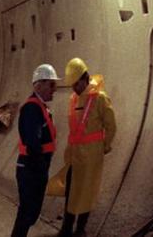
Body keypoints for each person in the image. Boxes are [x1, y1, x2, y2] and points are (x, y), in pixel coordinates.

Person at [57, 58, 117, 237]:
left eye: (76, 83)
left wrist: (105, 146)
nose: (74, 88)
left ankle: (80, 230)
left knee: (86, 191)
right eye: (72, 85)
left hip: (91, 156)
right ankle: (66, 229)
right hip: (75, 155)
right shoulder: (73, 99)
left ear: (85, 78)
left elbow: (111, 125)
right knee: (71, 191)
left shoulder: (99, 98)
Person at [11, 64, 60, 237]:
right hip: (31, 169)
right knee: (27, 213)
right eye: (51, 85)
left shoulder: (41, 106)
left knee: (30, 213)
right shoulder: (32, 108)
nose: (54, 89)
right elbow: (33, 142)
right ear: (39, 84)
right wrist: (41, 168)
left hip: (35, 168)